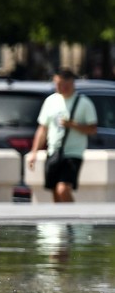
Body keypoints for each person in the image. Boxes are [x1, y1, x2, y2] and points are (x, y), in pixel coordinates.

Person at [27, 69, 97, 203]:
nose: (58, 87)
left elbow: (92, 129)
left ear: (70, 83)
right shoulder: (51, 101)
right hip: (53, 151)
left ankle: (73, 220)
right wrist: (34, 152)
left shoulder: (83, 103)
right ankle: (61, 222)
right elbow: (43, 128)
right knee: (54, 191)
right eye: (56, 83)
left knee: (63, 189)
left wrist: (72, 125)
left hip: (73, 153)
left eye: (61, 84)